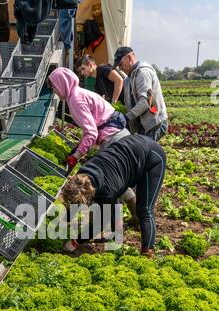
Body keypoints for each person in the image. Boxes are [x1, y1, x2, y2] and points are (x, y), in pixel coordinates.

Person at [47, 67, 137, 220]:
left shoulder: (76, 99)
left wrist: (76, 155)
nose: (54, 91)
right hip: (118, 135)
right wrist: (79, 148)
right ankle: (135, 217)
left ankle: (113, 224)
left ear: (62, 83)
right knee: (118, 181)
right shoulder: (78, 93)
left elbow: (91, 132)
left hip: (113, 139)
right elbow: (92, 129)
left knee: (110, 183)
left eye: (54, 87)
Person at [61, 134, 166, 257]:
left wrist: (75, 242)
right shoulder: (81, 176)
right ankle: (116, 235)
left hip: (152, 157)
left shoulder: (108, 192)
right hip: (132, 148)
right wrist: (63, 221)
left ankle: (147, 252)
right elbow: (75, 201)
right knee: (113, 210)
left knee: (144, 210)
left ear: (90, 198)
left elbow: (99, 224)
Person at [113, 47, 168, 142]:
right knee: (143, 153)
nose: (120, 68)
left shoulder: (143, 73)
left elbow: (145, 101)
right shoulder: (127, 79)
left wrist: (126, 117)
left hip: (154, 123)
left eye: (121, 64)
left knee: (144, 152)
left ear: (129, 58)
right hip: (143, 124)